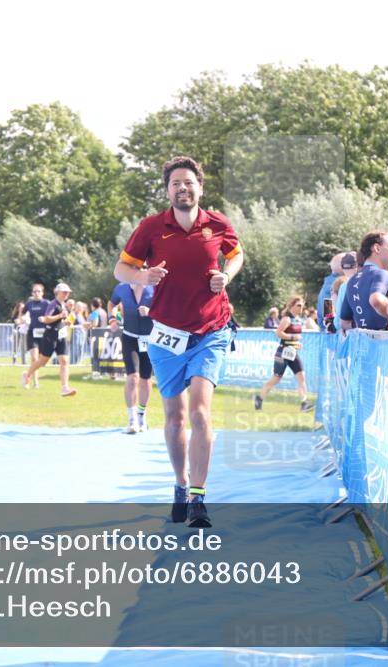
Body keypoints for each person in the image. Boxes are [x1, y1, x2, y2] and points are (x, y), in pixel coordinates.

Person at [114, 155, 243, 528]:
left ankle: (200, 498)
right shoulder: (152, 227)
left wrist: (226, 275)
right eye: (175, 184)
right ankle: (181, 485)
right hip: (167, 333)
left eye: (189, 182)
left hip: (211, 329)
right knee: (175, 417)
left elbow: (236, 255)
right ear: (167, 190)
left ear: (200, 187)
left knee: (201, 411)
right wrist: (144, 276)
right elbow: (121, 269)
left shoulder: (217, 223)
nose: (182, 188)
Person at [254, 295, 313, 412]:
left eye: (302, 306)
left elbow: (294, 338)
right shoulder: (286, 319)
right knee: (276, 378)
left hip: (292, 352)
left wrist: (297, 343)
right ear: (291, 306)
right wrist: (293, 337)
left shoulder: (298, 319)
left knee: (301, 377)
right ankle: (259, 398)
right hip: (283, 353)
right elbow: (278, 333)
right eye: (298, 305)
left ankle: (304, 403)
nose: (301, 308)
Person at [110, 281, 155, 434]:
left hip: (149, 339)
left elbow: (166, 309)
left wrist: (150, 312)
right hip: (129, 338)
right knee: (132, 377)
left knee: (145, 379)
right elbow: (112, 304)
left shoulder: (154, 287)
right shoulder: (122, 288)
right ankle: (132, 418)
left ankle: (142, 416)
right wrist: (113, 319)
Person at [21, 282, 77, 397]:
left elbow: (59, 320)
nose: (67, 294)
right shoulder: (53, 304)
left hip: (61, 335)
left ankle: (65, 388)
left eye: (68, 293)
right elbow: (47, 319)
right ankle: (27, 374)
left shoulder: (64, 304)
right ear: (58, 293)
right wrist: (59, 316)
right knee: (42, 361)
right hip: (50, 335)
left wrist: (65, 321)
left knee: (64, 361)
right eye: (65, 292)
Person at [340, 231, 388, 332]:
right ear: (377, 248)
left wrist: (363, 325)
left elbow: (344, 323)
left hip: (363, 343)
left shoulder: (352, 280)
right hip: (384, 342)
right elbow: (376, 300)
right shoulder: (381, 274)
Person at [23, 283, 49, 389]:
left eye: (38, 291)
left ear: (42, 293)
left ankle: (27, 375)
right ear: (32, 293)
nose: (36, 293)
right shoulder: (29, 304)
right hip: (32, 333)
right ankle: (35, 382)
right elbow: (21, 313)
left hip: (44, 334)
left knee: (40, 360)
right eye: (34, 291)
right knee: (34, 358)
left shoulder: (47, 303)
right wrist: (19, 319)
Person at [316, 252, 345, 319]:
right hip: (334, 328)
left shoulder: (328, 285)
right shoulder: (332, 287)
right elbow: (328, 314)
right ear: (342, 266)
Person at [332, 251, 358, 326]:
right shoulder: (369, 282)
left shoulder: (344, 286)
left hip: (350, 332)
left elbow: (338, 321)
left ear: (342, 268)